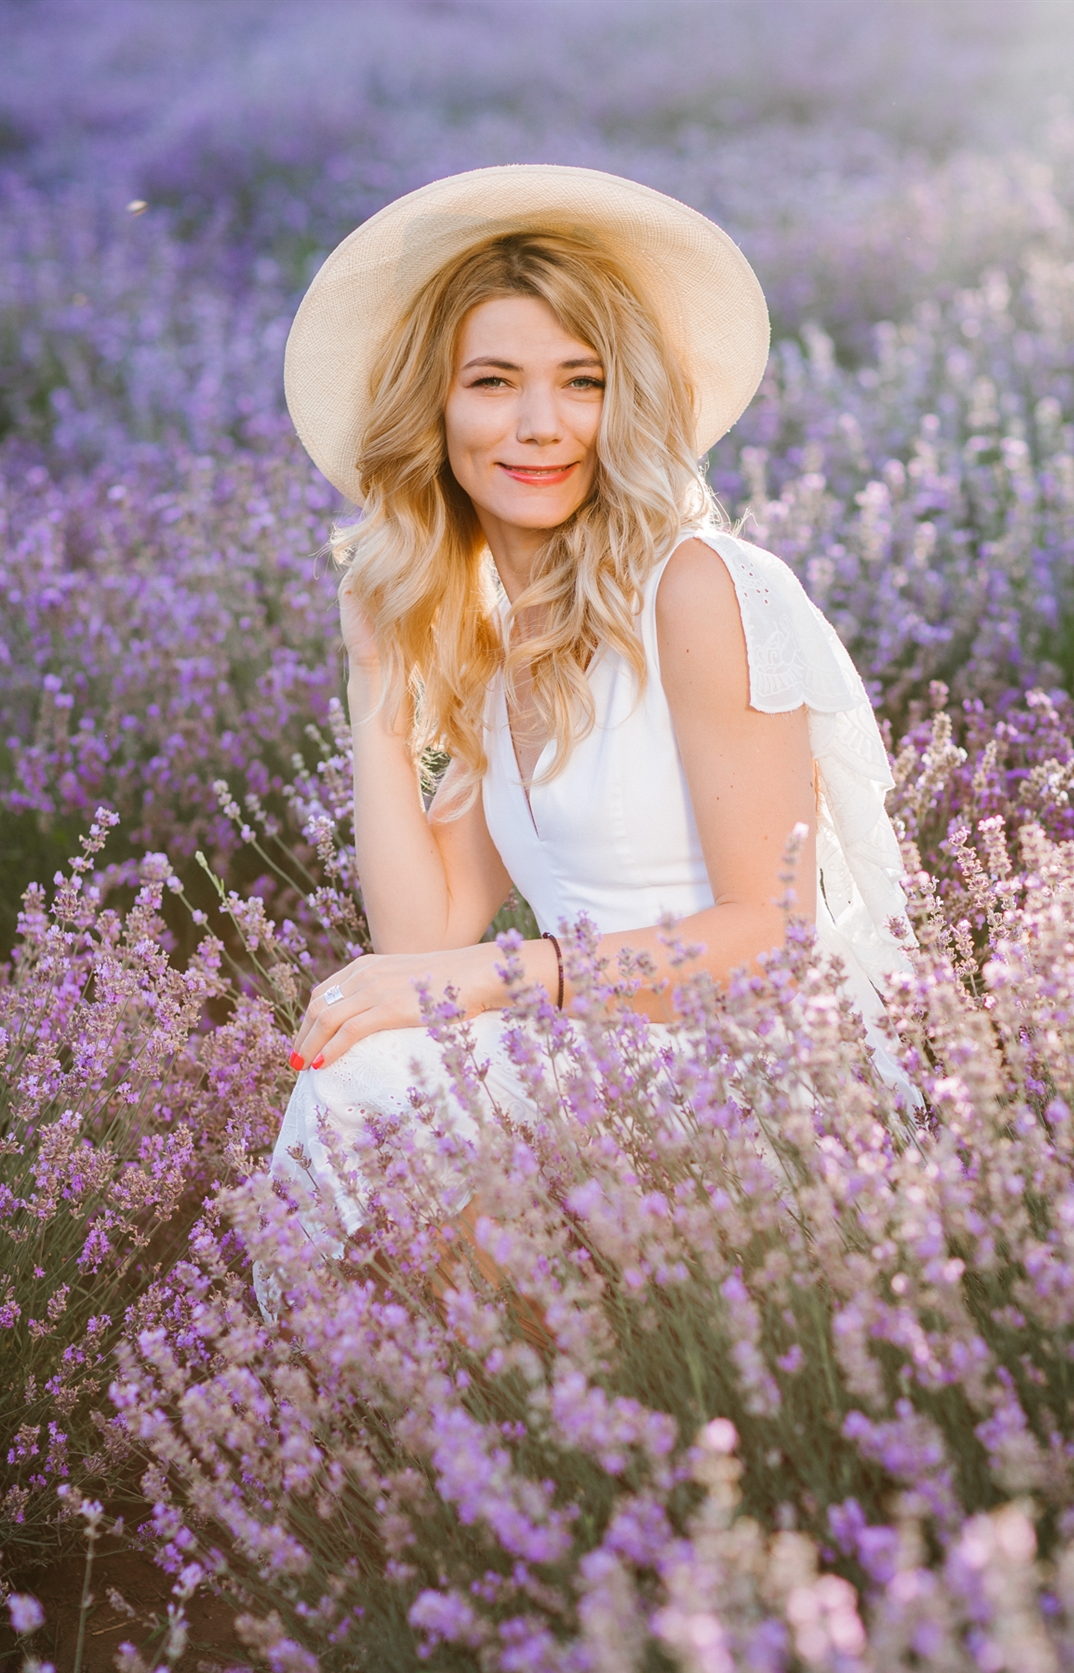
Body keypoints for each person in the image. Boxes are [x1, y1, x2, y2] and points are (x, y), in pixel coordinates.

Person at [270, 164, 913, 1263]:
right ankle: (482, 1423)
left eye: (582, 380)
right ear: (433, 408)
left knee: (385, 1090)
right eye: (492, 382)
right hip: (603, 1055)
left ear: (628, 402)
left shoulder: (699, 585)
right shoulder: (500, 640)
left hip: (749, 1072)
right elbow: (423, 941)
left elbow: (774, 937)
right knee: (365, 1073)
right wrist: (378, 685)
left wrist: (502, 977)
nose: (538, 424)